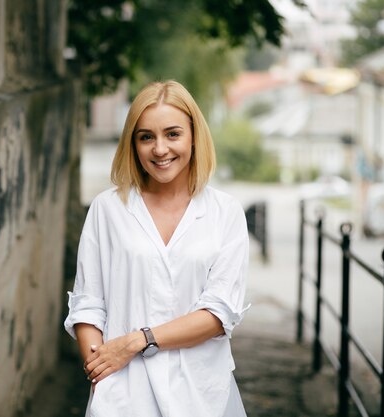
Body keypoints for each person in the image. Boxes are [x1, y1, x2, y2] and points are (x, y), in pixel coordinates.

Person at [64, 80, 249, 417]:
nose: (160, 149)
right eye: (146, 136)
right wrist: (99, 372)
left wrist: (138, 340)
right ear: (132, 144)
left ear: (194, 135)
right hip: (122, 396)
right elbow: (88, 304)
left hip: (201, 395)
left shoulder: (226, 213)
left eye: (172, 134)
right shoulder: (108, 209)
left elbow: (219, 314)